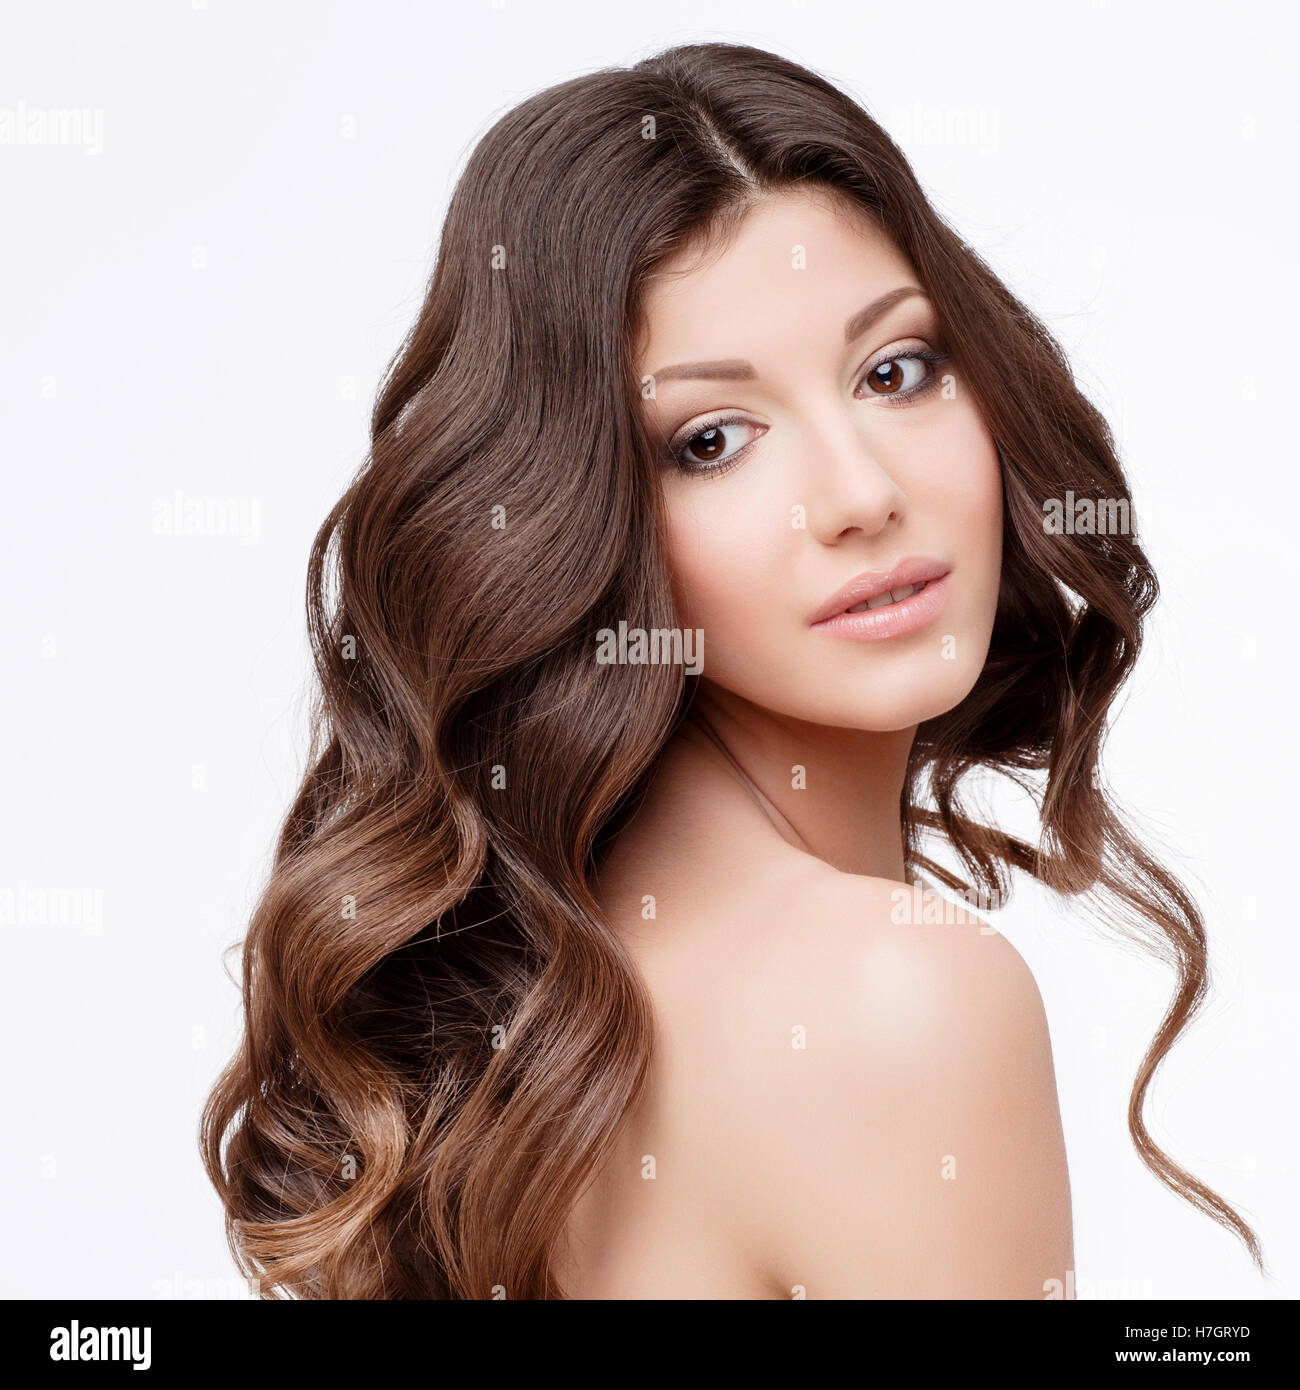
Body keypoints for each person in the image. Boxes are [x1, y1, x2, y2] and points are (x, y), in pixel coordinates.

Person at [202, 40, 1262, 1299]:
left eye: (895, 370)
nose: (861, 494)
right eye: (712, 440)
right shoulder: (897, 994)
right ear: (578, 521)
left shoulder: (541, 997)